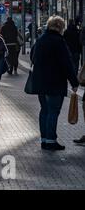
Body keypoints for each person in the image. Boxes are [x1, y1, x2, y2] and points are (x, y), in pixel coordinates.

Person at [31, 16, 79, 150]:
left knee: (44, 110)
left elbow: (32, 57)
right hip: (55, 82)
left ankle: (44, 139)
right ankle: (51, 140)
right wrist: (74, 82)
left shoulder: (41, 40)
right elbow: (67, 63)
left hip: (41, 82)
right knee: (53, 111)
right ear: (60, 27)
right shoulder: (59, 41)